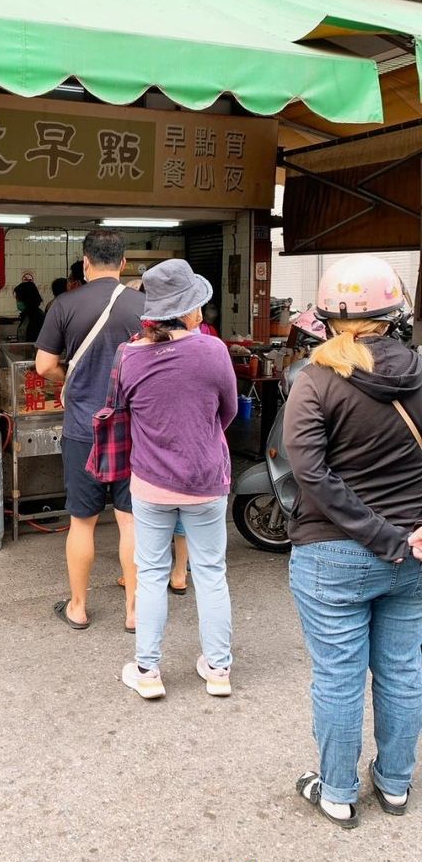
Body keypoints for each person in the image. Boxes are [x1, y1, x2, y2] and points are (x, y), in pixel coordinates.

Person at [284, 255, 422, 829]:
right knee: (403, 670)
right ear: (395, 312)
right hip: (413, 552)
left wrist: (376, 534)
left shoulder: (314, 380)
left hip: (332, 555)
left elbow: (309, 473)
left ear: (327, 316)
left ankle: (337, 792)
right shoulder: (419, 371)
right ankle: (395, 785)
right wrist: (400, 536)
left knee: (339, 675)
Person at [116, 259, 238, 700]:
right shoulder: (213, 350)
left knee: (150, 574)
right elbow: (227, 412)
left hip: (150, 482)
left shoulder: (129, 355)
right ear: (188, 310)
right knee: (211, 573)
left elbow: (125, 408)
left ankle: (148, 671)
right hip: (206, 480)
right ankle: (218, 669)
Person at [35, 231, 144, 632]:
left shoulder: (64, 305)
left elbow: (44, 366)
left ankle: (78, 607)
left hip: (83, 429)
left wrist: (70, 381)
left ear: (85, 262)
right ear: (123, 262)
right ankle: (133, 611)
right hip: (134, 430)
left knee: (83, 521)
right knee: (131, 520)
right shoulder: (144, 306)